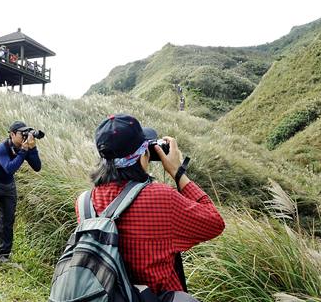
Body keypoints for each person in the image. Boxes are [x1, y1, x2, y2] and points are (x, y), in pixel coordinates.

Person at [84, 113, 225, 300]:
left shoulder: (85, 202)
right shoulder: (162, 198)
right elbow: (214, 223)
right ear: (144, 155)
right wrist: (177, 171)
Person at [0, 121, 42, 264]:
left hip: (9, 185)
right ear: (12, 134)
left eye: (27, 133)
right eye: (22, 133)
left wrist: (33, 149)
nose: (25, 136)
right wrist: (24, 152)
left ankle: (3, 253)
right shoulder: (2, 147)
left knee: (8, 219)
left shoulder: (23, 147)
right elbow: (9, 168)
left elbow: (37, 167)